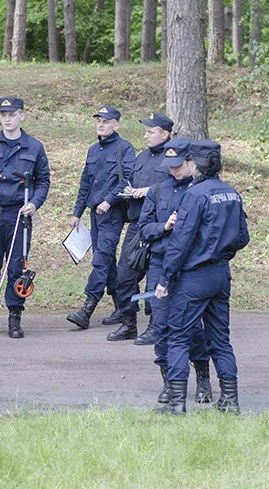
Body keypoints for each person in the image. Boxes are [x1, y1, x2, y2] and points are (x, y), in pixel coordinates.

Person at [154, 139, 250, 415]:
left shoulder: (195, 195)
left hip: (194, 277)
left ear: (196, 164)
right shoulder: (232, 193)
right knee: (220, 338)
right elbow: (243, 237)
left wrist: (164, 279)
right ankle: (230, 400)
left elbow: (181, 242)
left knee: (179, 338)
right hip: (221, 274)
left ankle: (176, 405)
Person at [135, 137, 212, 405]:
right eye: (170, 166)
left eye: (178, 166)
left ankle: (203, 377)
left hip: (190, 266)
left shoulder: (202, 190)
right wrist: (164, 227)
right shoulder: (158, 191)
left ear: (190, 163)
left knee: (194, 327)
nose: (174, 171)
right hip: (160, 263)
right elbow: (143, 227)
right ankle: (169, 382)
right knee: (163, 325)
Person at [0, 97, 51, 339]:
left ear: (22, 116)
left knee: (17, 268)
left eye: (12, 114)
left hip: (19, 215)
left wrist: (35, 203)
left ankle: (15, 315)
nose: (7, 118)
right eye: (3, 114)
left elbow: (43, 180)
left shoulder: (34, 147)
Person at [105, 112, 174, 343]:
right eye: (145, 131)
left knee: (156, 280)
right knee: (124, 276)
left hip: (163, 227)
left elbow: (178, 184)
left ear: (164, 134)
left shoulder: (174, 157)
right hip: (138, 225)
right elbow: (130, 181)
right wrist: (130, 190)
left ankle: (156, 326)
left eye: (150, 131)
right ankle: (128, 323)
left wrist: (150, 191)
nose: (146, 135)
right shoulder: (142, 156)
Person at [67, 106, 136, 330]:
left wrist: (109, 200)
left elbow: (127, 180)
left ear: (116, 125)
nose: (101, 124)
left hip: (112, 213)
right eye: (99, 120)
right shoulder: (93, 150)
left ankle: (87, 308)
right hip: (95, 215)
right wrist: (77, 213)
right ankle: (123, 307)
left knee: (101, 260)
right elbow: (85, 183)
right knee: (106, 261)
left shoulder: (124, 148)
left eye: (106, 121)